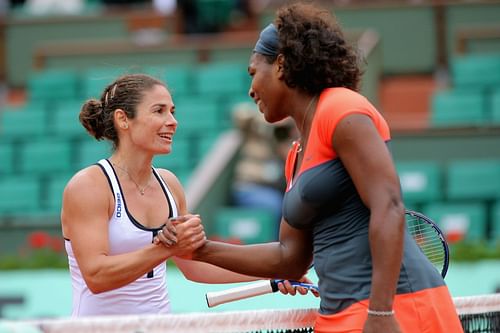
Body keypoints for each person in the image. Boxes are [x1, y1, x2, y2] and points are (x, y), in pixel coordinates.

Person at [186, 3, 464, 332]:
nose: (250, 89)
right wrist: (199, 250)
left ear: (281, 64)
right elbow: (290, 259)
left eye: (253, 73)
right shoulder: (296, 155)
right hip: (339, 315)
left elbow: (388, 206)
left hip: (398, 309)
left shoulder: (341, 106)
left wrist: (380, 312)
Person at [62, 73, 311, 316]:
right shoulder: (89, 185)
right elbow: (97, 276)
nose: (172, 121)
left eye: (172, 111)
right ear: (123, 119)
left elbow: (194, 265)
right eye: (159, 111)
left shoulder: (169, 184)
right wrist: (165, 249)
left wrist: (276, 272)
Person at [231, 102, 296, 237]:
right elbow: (240, 115)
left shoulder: (286, 142)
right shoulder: (254, 133)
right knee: (274, 203)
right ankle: (275, 244)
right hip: (249, 187)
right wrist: (266, 121)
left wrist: (282, 139)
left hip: (273, 188)